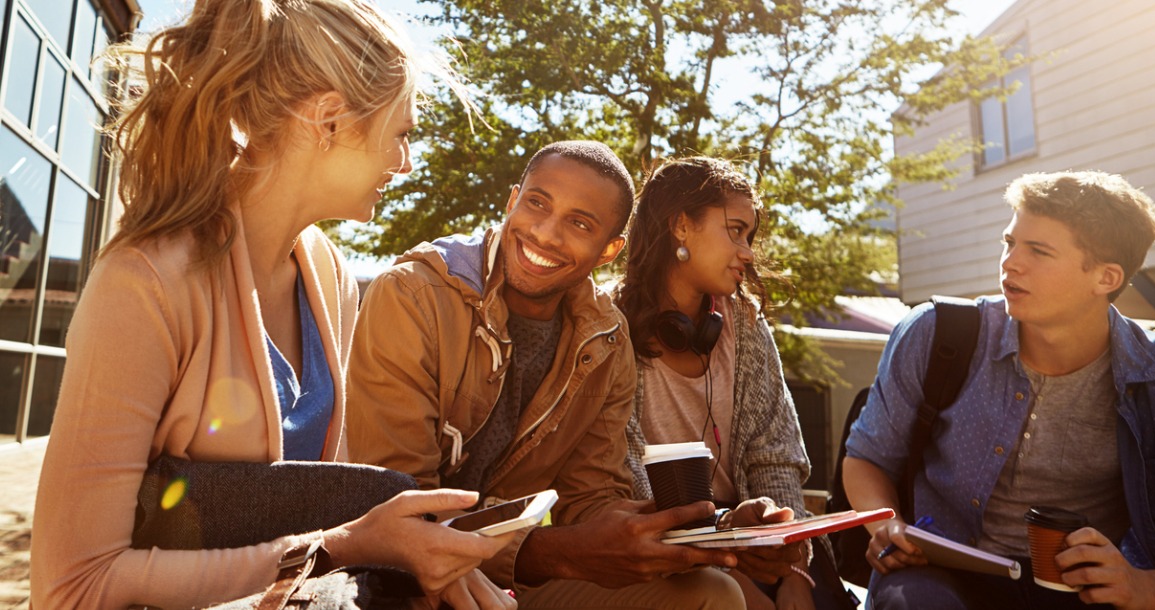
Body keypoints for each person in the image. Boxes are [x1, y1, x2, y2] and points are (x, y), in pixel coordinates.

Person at [30, 1, 514, 608]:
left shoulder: (330, 275)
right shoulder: (144, 285)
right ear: (330, 121)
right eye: (402, 134)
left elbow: (314, 495)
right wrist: (345, 546)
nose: (405, 162)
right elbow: (73, 585)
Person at [346, 140, 747, 608]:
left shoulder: (606, 337)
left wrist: (710, 528)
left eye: (580, 223)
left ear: (609, 250)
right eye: (537, 203)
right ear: (512, 200)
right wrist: (549, 554)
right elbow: (401, 510)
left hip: (510, 573)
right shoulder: (413, 295)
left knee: (713, 594)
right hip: (394, 573)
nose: (546, 234)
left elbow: (592, 499)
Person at [842, 170, 1155, 610]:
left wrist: (1146, 588)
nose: (1010, 263)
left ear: (1105, 278)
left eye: (1039, 251)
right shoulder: (938, 334)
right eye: (1010, 243)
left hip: (1074, 591)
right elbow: (865, 459)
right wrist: (888, 524)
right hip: (935, 576)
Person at [614, 156, 821, 610]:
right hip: (666, 555)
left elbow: (778, 457)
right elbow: (622, 484)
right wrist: (723, 565)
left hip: (758, 546)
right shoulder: (609, 328)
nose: (747, 252)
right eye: (734, 230)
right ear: (681, 226)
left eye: (749, 236)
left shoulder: (744, 324)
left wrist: (796, 573)